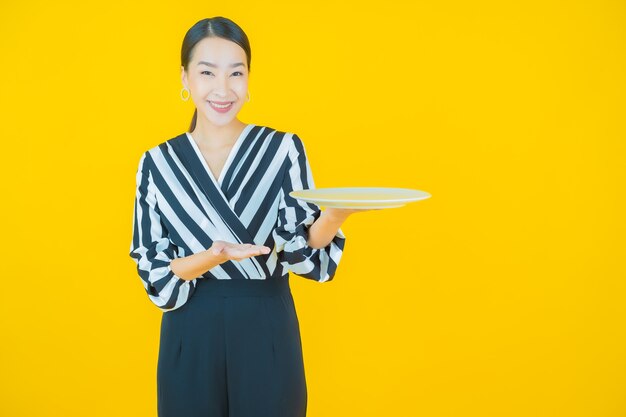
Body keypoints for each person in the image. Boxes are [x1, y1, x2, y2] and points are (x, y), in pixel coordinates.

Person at [129, 16, 372, 417]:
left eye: (236, 73)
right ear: (185, 79)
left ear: (248, 79)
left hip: (266, 325)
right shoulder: (157, 163)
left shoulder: (283, 149)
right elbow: (153, 272)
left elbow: (304, 254)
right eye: (207, 72)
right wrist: (215, 255)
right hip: (191, 330)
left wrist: (335, 214)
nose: (223, 89)